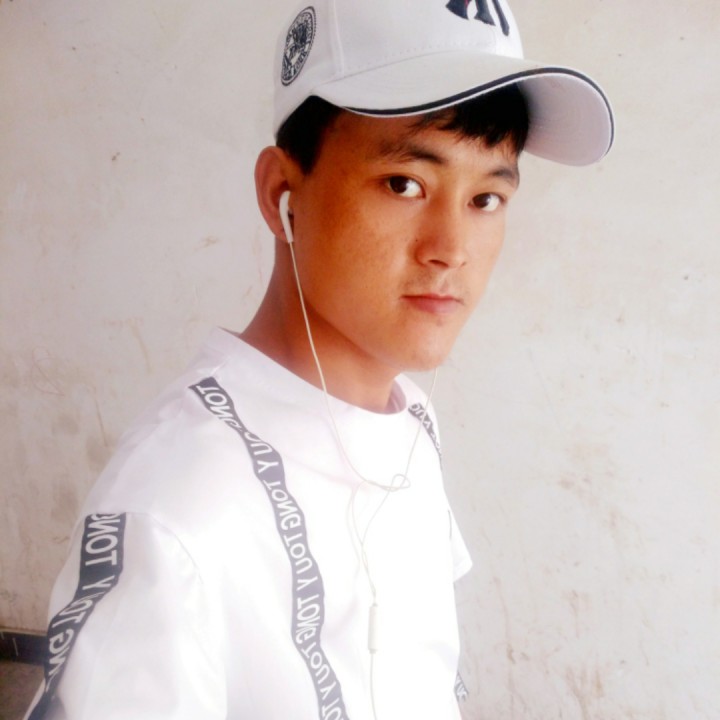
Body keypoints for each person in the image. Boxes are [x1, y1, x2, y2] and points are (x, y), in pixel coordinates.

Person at [26, 0, 613, 718]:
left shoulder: (410, 427)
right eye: (404, 184)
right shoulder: (175, 511)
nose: (451, 249)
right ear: (283, 194)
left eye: (487, 197)